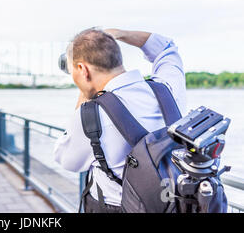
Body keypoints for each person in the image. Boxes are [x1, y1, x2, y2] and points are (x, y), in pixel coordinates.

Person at [53, 28, 186, 213]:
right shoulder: (168, 89)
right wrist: (121, 34)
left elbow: (66, 160)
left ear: (82, 69)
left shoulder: (90, 117)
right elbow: (166, 48)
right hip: (175, 204)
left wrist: (85, 92)